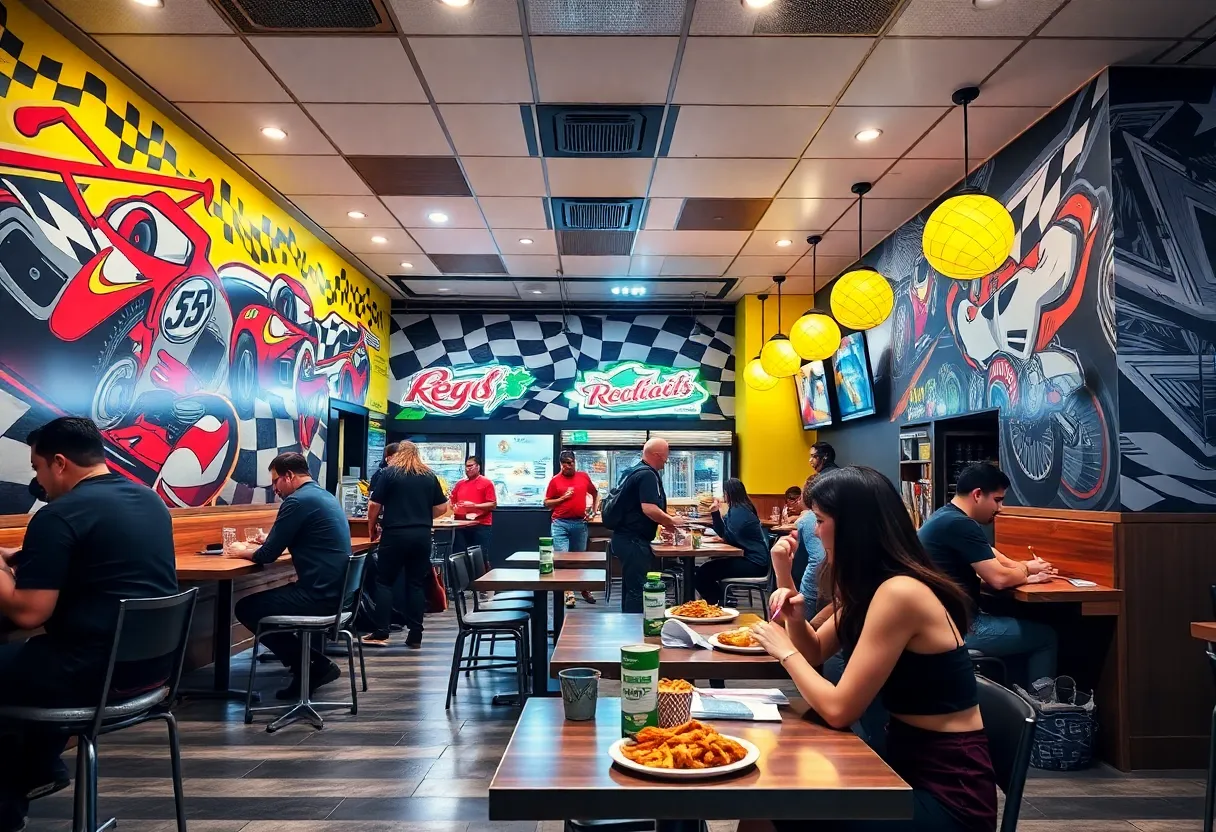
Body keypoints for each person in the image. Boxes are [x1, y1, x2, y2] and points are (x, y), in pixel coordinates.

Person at [751, 467, 998, 832]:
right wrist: (792, 607)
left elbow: (838, 710)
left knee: (769, 802)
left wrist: (784, 650)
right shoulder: (874, 583)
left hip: (947, 796)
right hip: (900, 764)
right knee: (767, 799)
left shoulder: (900, 592)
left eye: (820, 520)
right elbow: (816, 651)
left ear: (853, 526)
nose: (815, 531)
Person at [0, 417, 179, 832]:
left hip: (91, 677)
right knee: (28, 664)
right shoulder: (149, 501)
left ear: (59, 463)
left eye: (37, 469)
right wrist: (27, 557)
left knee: (21, 663)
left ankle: (14, 792)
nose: (39, 482)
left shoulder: (59, 515)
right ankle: (35, 772)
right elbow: (101, 560)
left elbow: (29, 613)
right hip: (153, 673)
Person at [918, 463, 1058, 685]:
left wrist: (1022, 570)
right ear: (977, 495)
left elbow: (988, 560)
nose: (1000, 508)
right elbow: (999, 579)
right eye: (998, 500)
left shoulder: (943, 516)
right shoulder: (960, 524)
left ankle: (1021, 701)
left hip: (941, 624)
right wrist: (1024, 570)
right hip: (961, 628)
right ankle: (1043, 712)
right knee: (1046, 637)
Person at [229, 452, 352, 700]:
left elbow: (266, 556)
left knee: (247, 608)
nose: (274, 489)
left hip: (318, 596)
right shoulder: (323, 496)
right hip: (339, 595)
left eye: (275, 482)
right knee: (258, 605)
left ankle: (311, 666)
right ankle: (311, 666)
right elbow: (299, 538)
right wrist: (270, 541)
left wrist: (243, 550)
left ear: (289, 476)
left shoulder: (296, 501)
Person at [365, 442, 449, 648]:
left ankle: (381, 632)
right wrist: (422, 515)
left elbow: (374, 504)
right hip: (421, 535)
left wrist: (372, 527)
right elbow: (442, 507)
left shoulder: (390, 473)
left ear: (399, 453)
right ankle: (415, 635)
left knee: (384, 582)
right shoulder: (429, 476)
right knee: (416, 583)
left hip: (395, 534)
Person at [609, 438, 683, 613]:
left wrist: (664, 523)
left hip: (624, 539)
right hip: (633, 541)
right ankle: (636, 633)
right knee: (637, 591)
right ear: (657, 455)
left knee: (631, 587)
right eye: (666, 454)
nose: (667, 459)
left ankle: (628, 629)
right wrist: (672, 522)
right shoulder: (647, 475)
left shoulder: (633, 471)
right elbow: (649, 508)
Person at [694, 478, 769, 605]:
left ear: (728, 494)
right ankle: (724, 600)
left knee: (703, 573)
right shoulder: (741, 508)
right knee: (706, 570)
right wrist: (715, 513)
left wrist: (716, 514)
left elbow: (726, 536)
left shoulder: (739, 512)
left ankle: (722, 603)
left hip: (754, 563)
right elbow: (726, 535)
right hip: (753, 560)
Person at [544, 450, 599, 608]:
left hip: (580, 524)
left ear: (575, 462)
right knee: (563, 558)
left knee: (579, 559)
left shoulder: (583, 477)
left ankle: (583, 588)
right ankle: (568, 592)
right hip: (560, 523)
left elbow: (595, 493)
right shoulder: (555, 481)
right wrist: (562, 498)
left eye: (571, 463)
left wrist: (593, 511)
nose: (568, 466)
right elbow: (546, 503)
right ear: (561, 465)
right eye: (565, 464)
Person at [450, 455, 496, 557]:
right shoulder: (460, 484)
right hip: (460, 525)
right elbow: (451, 502)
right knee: (459, 557)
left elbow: (493, 504)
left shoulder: (487, 483)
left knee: (479, 558)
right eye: (466, 466)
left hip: (481, 525)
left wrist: (474, 505)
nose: (468, 469)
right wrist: (453, 507)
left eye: (471, 466)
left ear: (478, 467)